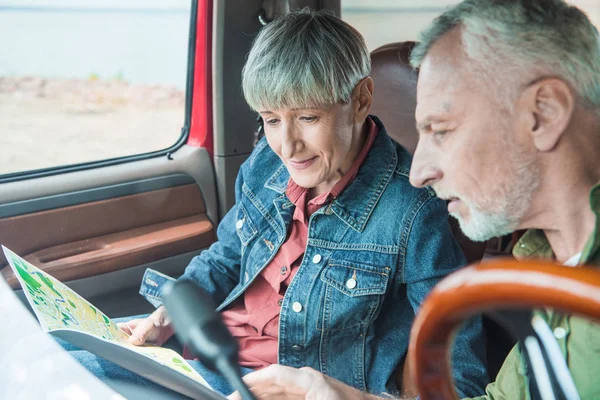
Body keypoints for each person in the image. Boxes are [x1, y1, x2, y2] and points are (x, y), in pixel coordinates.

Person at [60, 9, 487, 398]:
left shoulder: (412, 211)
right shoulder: (267, 160)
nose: (287, 146)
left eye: (307, 118)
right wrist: (169, 314)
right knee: (49, 348)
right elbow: (228, 255)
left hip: (266, 385)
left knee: (66, 379)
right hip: (204, 347)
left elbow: (460, 375)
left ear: (359, 99)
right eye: (270, 120)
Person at [228, 1, 600, 399]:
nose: (419, 171)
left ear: (543, 113)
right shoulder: (545, 266)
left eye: (440, 130)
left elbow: (462, 374)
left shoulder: (417, 216)